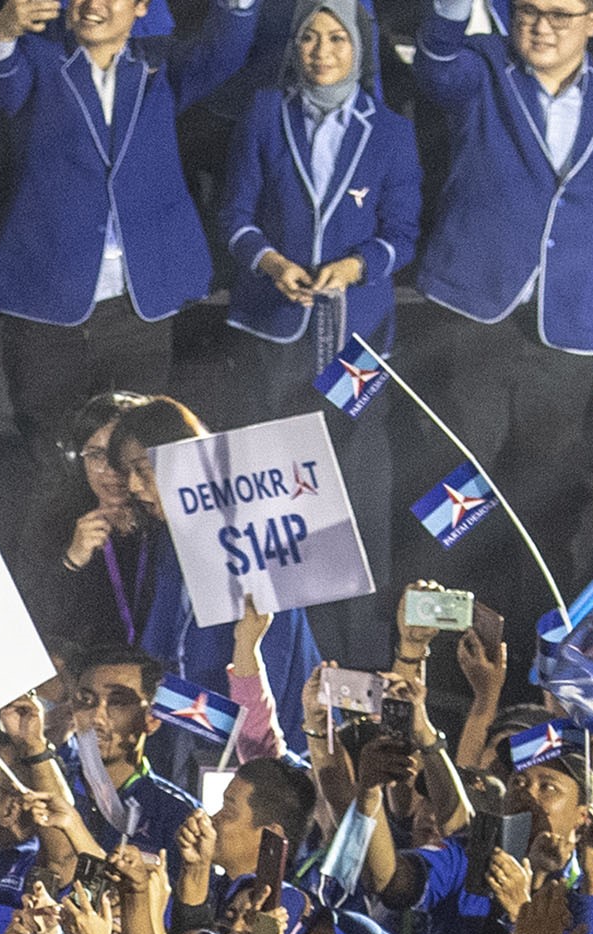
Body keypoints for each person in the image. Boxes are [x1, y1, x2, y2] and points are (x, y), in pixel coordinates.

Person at [407, 0, 593, 604]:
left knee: (546, 494)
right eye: (527, 11)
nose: (542, 25)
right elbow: (436, 63)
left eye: (561, 14)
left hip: (569, 331)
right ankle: (433, 633)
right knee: (454, 481)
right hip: (470, 316)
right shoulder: (484, 70)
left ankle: (528, 641)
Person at [213, 0, 419, 646]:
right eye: (309, 36)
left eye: (336, 37)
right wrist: (272, 263)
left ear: (360, 46)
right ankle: (279, 651)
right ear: (293, 46)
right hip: (273, 335)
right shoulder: (264, 114)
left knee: (354, 493)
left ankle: (356, 649)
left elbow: (404, 236)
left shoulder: (389, 131)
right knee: (278, 505)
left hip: (356, 340)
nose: (323, 50)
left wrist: (356, 268)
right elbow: (234, 219)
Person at [0, 0, 264, 441]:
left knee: (134, 452)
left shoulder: (158, 69)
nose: (92, 6)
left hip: (138, 304)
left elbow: (224, 50)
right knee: (51, 452)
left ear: (142, 6)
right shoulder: (39, 61)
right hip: (46, 300)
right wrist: (2, 32)